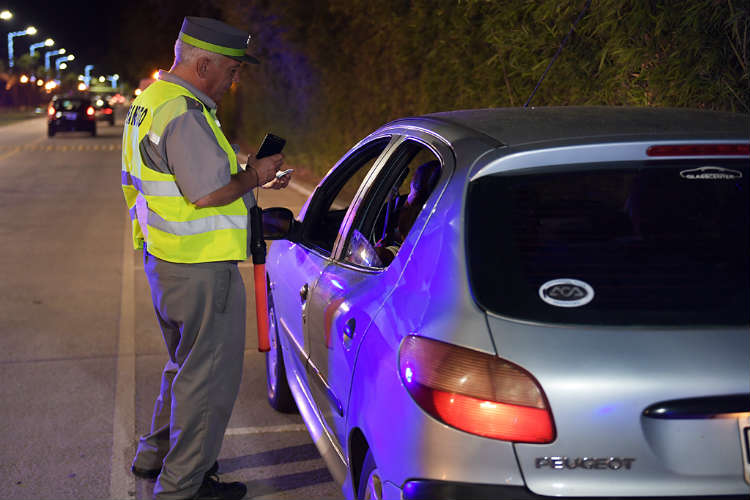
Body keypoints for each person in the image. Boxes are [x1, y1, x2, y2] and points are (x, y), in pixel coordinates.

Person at [120, 16, 290, 500]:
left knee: (186, 367)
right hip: (200, 267)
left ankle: (155, 455)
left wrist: (247, 174)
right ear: (203, 65)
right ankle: (182, 488)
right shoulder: (184, 113)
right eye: (232, 70)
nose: (234, 81)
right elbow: (209, 192)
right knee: (208, 379)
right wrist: (255, 176)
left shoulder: (152, 102)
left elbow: (191, 177)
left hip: (168, 260)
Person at [374, 160, 440, 265]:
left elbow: (406, 259)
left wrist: (384, 254)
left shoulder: (423, 228)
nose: (408, 197)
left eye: (412, 190)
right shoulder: (443, 221)